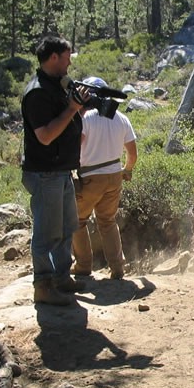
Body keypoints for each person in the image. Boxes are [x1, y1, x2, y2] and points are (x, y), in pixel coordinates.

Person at [21, 35, 90, 306]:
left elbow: (64, 124)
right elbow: (46, 136)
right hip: (45, 172)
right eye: (67, 56)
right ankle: (43, 285)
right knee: (46, 232)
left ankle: (61, 276)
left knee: (66, 227)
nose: (70, 61)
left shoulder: (55, 87)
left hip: (60, 170)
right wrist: (72, 108)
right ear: (53, 58)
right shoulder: (38, 92)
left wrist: (77, 111)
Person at [72, 76, 138, 280]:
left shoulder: (86, 118)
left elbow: (76, 148)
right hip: (114, 175)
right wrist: (127, 170)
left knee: (78, 221)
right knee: (108, 221)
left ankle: (83, 265)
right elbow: (133, 153)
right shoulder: (121, 118)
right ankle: (117, 268)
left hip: (91, 176)